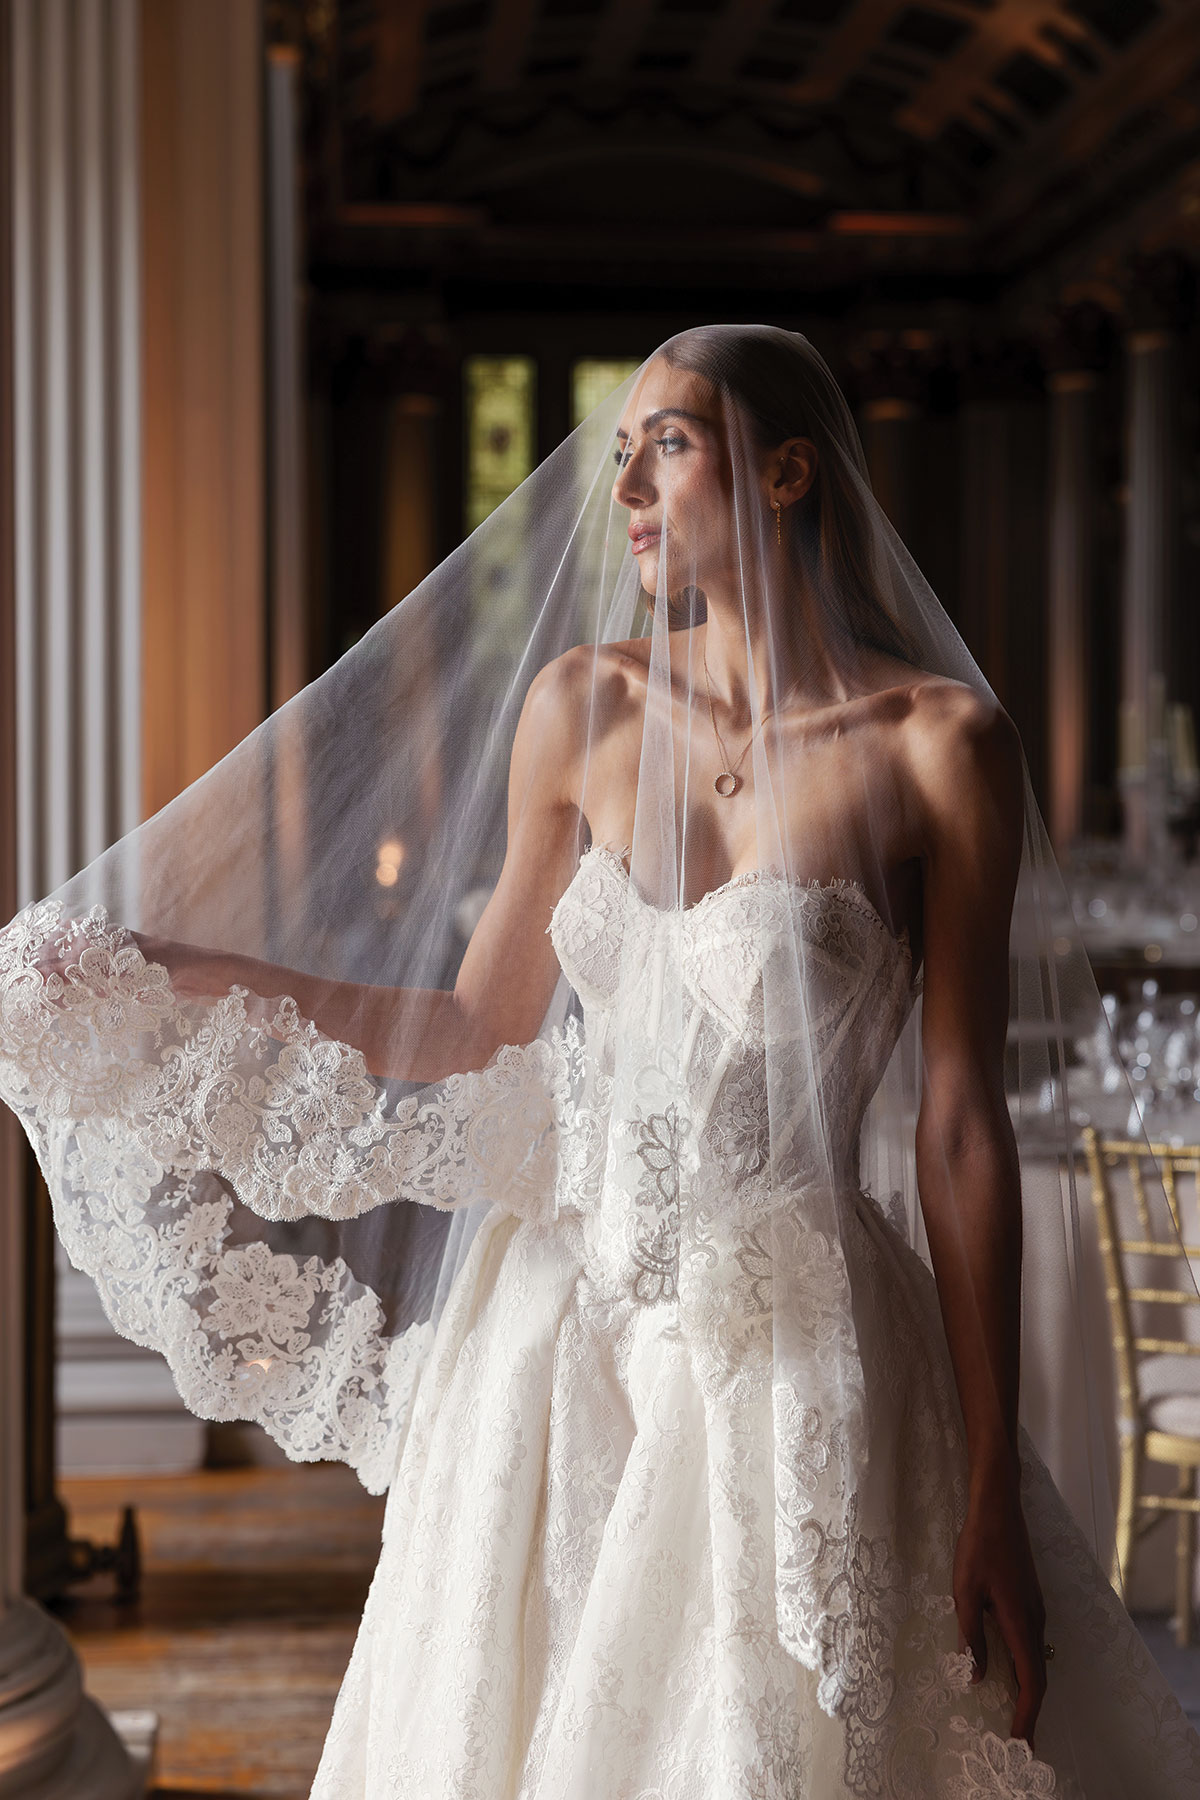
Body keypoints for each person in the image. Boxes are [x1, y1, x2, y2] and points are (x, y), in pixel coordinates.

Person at [1, 325, 1197, 1797]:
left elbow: (960, 1126)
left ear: (787, 474)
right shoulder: (583, 706)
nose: (624, 482)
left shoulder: (939, 746)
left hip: (797, 1356)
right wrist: (178, 975)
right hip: (553, 1344)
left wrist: (998, 1478)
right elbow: (469, 1024)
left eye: (667, 443)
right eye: (621, 449)